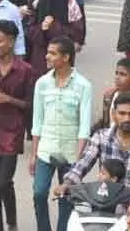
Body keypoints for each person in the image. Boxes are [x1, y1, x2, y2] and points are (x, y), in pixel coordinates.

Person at [31, 35, 93, 231]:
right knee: (39, 193)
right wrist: (33, 154)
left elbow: (84, 126)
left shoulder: (83, 85)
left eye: (52, 53)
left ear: (66, 57)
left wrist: (79, 158)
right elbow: (37, 122)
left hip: (70, 152)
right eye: (48, 52)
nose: (47, 57)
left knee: (67, 198)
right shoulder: (42, 83)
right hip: (45, 150)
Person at [60, 91, 130, 197]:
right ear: (113, 114)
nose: (127, 119)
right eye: (122, 113)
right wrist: (67, 183)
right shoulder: (101, 137)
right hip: (105, 201)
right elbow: (83, 163)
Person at [0, 20, 34, 231]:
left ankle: (11, 221)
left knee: (3, 181)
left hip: (12, 132)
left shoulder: (26, 70)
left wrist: (8, 99)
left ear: (11, 42)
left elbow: (30, 104)